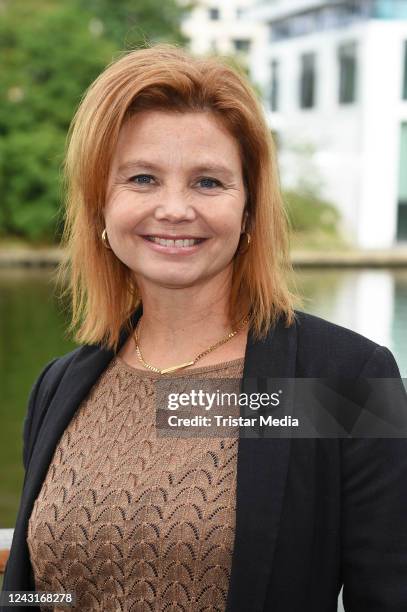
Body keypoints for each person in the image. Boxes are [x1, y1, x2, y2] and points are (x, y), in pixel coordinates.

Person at [2, 43, 407, 612]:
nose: (174, 208)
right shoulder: (60, 386)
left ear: (247, 210)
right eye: (142, 178)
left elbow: (389, 593)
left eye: (208, 183)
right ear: (100, 207)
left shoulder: (342, 380)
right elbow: (35, 591)